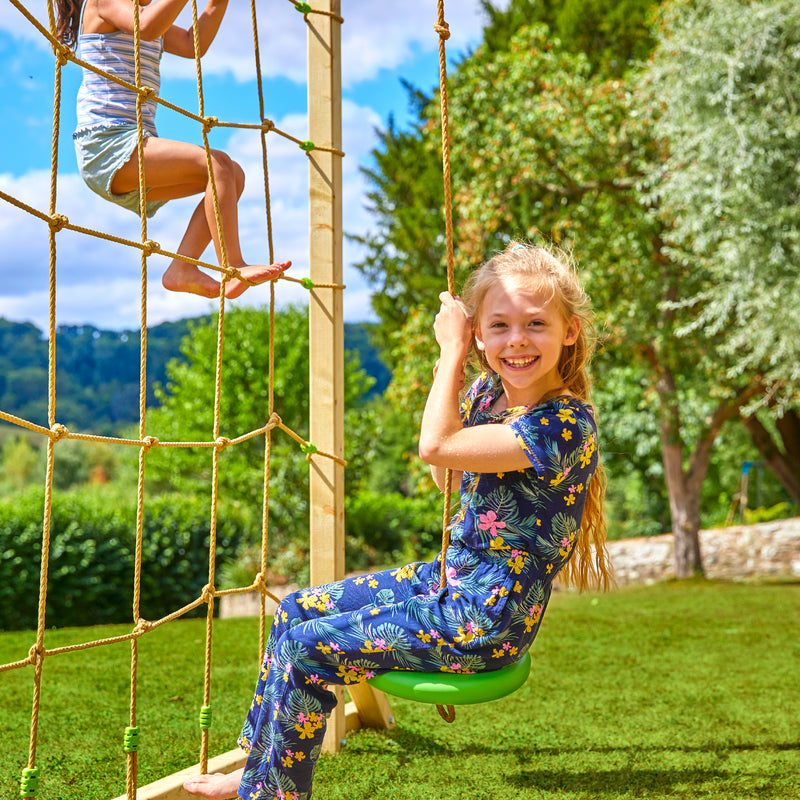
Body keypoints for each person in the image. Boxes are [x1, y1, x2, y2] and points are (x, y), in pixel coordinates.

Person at [183, 241, 613, 800]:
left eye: (536, 323)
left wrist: (453, 353)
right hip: (450, 582)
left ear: (570, 331)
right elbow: (450, 477)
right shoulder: (490, 397)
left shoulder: (563, 425)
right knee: (294, 611)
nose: (517, 341)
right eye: (499, 326)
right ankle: (261, 771)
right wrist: (456, 381)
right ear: (482, 334)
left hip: (484, 620)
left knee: (312, 647)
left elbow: (435, 447)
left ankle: (272, 794)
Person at [55, 0, 291, 299]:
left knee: (232, 175)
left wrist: (217, 4)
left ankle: (181, 269)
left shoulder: (142, 18)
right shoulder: (105, 2)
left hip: (129, 148)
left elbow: (193, 44)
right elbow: (147, 26)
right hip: (106, 144)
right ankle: (233, 265)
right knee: (216, 164)